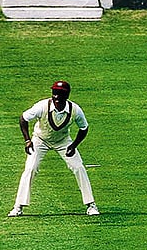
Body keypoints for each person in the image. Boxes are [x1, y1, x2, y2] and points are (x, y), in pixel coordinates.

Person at [9, 80, 99, 217]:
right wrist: (27, 140)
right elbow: (23, 118)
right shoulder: (42, 106)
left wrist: (73, 146)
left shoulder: (75, 110)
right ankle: (18, 207)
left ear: (66, 95)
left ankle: (91, 205)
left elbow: (84, 128)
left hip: (63, 141)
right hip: (40, 140)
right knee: (31, 168)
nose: (56, 96)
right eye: (54, 93)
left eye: (60, 93)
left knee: (78, 167)